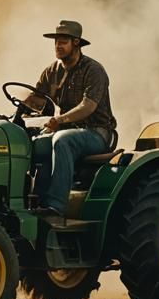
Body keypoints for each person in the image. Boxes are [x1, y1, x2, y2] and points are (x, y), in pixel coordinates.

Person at [25, 20, 117, 218]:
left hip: (97, 132)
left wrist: (59, 120)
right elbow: (36, 99)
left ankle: (56, 206)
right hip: (67, 129)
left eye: (63, 41)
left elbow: (88, 106)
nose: (58, 45)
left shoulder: (94, 70)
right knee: (34, 144)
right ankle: (34, 201)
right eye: (56, 41)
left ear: (76, 43)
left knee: (62, 140)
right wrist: (20, 110)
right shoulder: (52, 71)